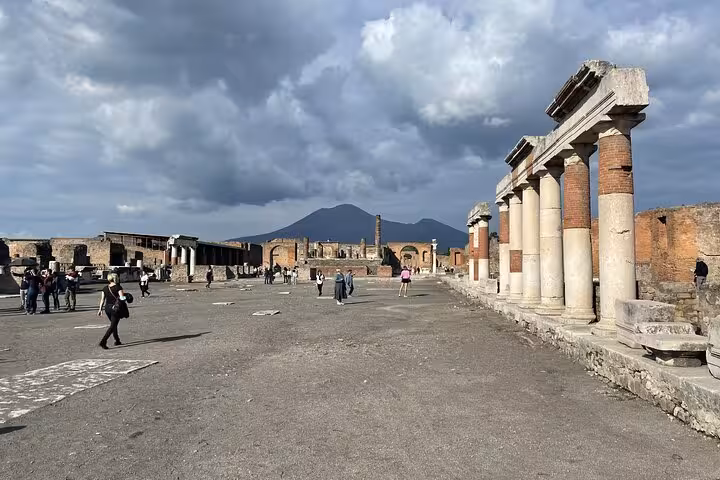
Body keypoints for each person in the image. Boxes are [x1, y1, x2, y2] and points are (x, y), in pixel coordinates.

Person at [97, 273, 128, 349]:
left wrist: (100, 309)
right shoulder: (118, 287)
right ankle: (103, 341)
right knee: (113, 325)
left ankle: (117, 340)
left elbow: (102, 299)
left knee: (113, 324)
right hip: (115, 308)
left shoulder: (105, 288)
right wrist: (127, 296)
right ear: (115, 278)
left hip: (107, 308)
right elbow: (122, 298)